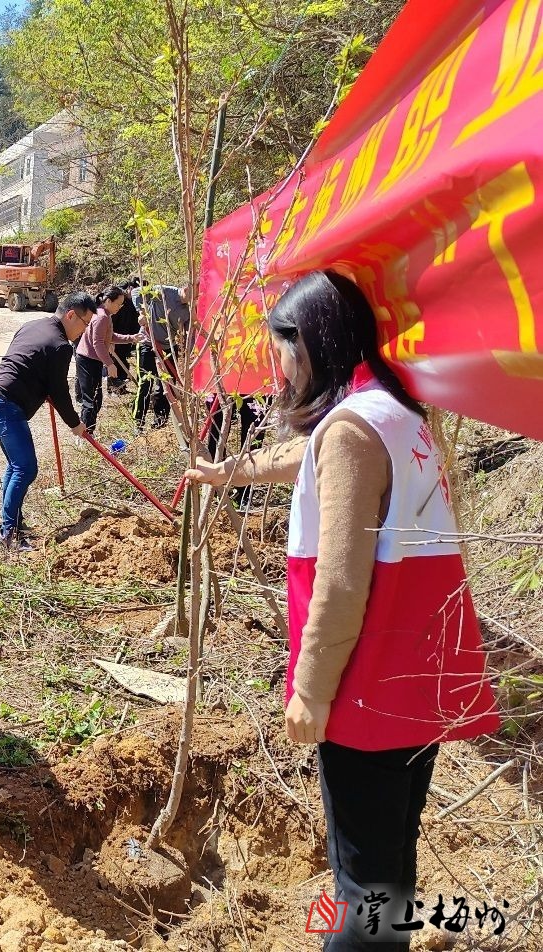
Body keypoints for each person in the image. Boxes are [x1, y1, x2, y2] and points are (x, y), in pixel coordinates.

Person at [185, 271, 499, 950]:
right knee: (388, 865)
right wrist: (228, 471)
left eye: (282, 350)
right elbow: (313, 457)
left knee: (362, 893)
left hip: (368, 686)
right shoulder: (392, 410)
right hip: (417, 673)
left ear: (311, 346)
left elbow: (339, 582)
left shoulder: (352, 429)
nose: (277, 367)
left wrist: (308, 690)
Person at [0, 291, 94, 552]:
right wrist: (75, 424)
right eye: (85, 324)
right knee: (26, 468)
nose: (84, 331)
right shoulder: (60, 345)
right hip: (7, 409)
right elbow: (59, 390)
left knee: (15, 466)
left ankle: (14, 523)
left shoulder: (31, 325)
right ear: (70, 315)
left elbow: (28, 365)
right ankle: (8, 534)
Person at [75, 286, 143, 434]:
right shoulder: (102, 316)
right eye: (118, 303)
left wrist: (131, 338)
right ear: (108, 301)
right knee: (91, 400)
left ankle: (87, 431)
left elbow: (109, 337)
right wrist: (110, 364)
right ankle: (84, 435)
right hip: (88, 360)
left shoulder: (104, 314)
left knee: (96, 399)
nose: (120, 307)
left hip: (91, 359)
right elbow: (98, 342)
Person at [134, 284, 190, 430]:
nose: (196, 298)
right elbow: (136, 291)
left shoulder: (189, 311)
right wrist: (141, 312)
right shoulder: (164, 292)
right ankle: (138, 422)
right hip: (147, 342)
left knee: (168, 386)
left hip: (168, 348)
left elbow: (190, 334)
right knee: (146, 383)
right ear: (187, 288)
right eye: (195, 293)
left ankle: (160, 420)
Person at [107, 280, 143, 396]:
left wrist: (133, 337)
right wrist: (109, 340)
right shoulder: (117, 301)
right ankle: (114, 388)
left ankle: (121, 388)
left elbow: (134, 321)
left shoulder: (132, 302)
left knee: (122, 362)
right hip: (116, 337)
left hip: (126, 337)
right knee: (116, 363)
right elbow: (111, 321)